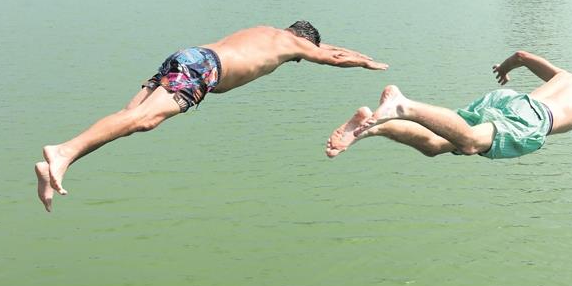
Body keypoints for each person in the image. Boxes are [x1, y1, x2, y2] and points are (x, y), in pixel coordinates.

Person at [35, 21, 387, 211]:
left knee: (130, 117)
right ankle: (63, 151)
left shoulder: (267, 32)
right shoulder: (294, 45)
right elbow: (333, 56)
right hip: (206, 69)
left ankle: (60, 163)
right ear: (304, 43)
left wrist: (361, 53)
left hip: (189, 55)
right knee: (144, 121)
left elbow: (332, 48)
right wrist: (367, 63)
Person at [326, 50, 572, 205]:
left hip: (507, 99)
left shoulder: (568, 76)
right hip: (532, 120)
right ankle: (402, 105)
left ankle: (369, 127)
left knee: (436, 145)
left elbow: (523, 56)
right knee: (471, 142)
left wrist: (504, 69)